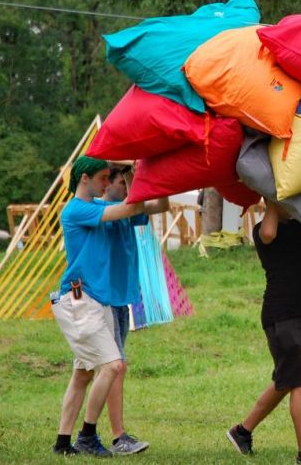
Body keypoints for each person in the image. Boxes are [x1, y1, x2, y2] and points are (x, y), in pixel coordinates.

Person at [51, 156, 156, 457]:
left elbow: (140, 207)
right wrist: (133, 171)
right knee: (113, 365)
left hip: (95, 301)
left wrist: (134, 173)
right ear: (84, 178)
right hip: (81, 301)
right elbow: (133, 206)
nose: (107, 183)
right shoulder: (77, 209)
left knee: (84, 373)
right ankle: (87, 435)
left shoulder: (95, 206)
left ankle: (62, 443)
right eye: (102, 178)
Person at [226, 202, 301, 464]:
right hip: (280, 316)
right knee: (300, 381)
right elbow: (269, 233)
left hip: (298, 314)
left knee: (285, 379)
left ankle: (242, 432)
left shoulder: (299, 227)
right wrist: (273, 198)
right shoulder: (263, 230)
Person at [99, 164, 168, 454]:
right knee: (117, 367)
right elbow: (131, 205)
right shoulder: (101, 210)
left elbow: (162, 204)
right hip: (104, 299)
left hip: (122, 298)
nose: (126, 189)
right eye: (121, 183)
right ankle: (117, 436)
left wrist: (144, 174)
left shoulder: (129, 207)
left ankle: (83, 434)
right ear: (107, 184)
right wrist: (136, 177)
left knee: (109, 369)